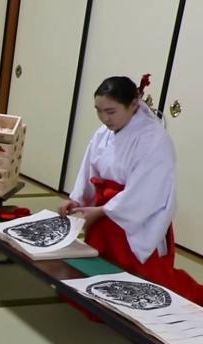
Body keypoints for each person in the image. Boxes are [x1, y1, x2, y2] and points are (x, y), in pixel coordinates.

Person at [60, 74, 203, 306]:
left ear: (134, 104)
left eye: (111, 111)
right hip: (103, 214)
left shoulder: (154, 138)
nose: (104, 118)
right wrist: (77, 200)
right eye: (98, 111)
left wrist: (104, 210)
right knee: (94, 277)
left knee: (147, 287)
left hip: (135, 219)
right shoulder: (103, 133)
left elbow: (149, 190)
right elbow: (89, 169)